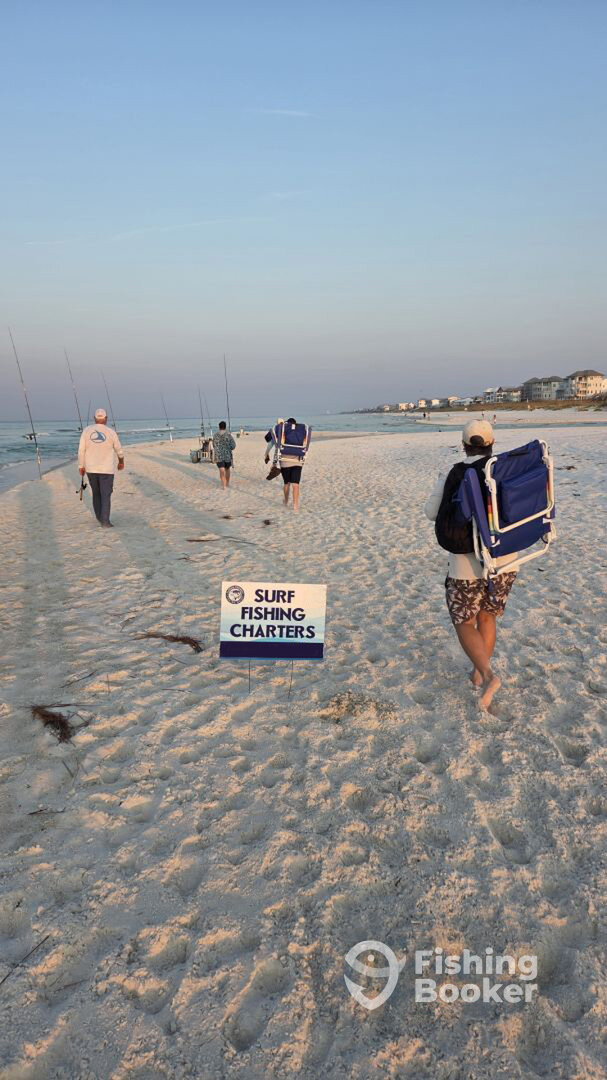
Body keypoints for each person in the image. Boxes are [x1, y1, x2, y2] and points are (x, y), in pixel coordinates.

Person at [424, 420, 517, 709]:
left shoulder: (455, 473)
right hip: (505, 559)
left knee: (464, 620)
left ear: (464, 445)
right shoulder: (505, 470)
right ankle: (477, 674)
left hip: (467, 562)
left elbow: (430, 512)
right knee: (487, 617)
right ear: (492, 444)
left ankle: (488, 674)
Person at [78, 408, 125, 528]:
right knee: (106, 494)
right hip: (106, 470)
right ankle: (105, 521)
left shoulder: (86, 431)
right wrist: (121, 462)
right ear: (106, 418)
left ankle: (100, 517)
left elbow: (81, 450)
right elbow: (119, 450)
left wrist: (81, 466)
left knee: (96, 493)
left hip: (91, 469)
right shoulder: (111, 432)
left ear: (94, 418)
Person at [278, 417, 310, 513]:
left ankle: (286, 501)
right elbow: (305, 444)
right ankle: (295, 506)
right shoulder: (301, 432)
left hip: (285, 461)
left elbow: (280, 444)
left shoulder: (284, 431)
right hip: (297, 461)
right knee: (295, 484)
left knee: (286, 483)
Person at [212, 421, 236, 489]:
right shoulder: (228, 435)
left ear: (219, 427)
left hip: (219, 456)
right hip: (227, 456)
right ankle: (227, 483)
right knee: (227, 469)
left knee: (221, 470)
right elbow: (233, 446)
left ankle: (224, 485)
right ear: (225, 427)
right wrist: (229, 448)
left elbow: (214, 445)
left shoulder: (215, 435)